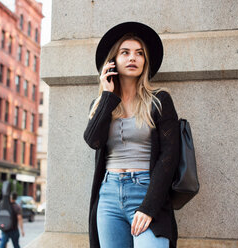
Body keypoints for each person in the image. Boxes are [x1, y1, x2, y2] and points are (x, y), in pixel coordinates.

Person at [84, 22, 180, 248]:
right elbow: (93, 141)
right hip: (108, 195)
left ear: (145, 61)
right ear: (113, 61)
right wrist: (107, 97)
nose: (133, 58)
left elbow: (170, 156)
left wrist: (149, 207)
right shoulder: (101, 104)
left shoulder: (159, 101)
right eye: (125, 53)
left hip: (146, 189)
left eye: (139, 53)